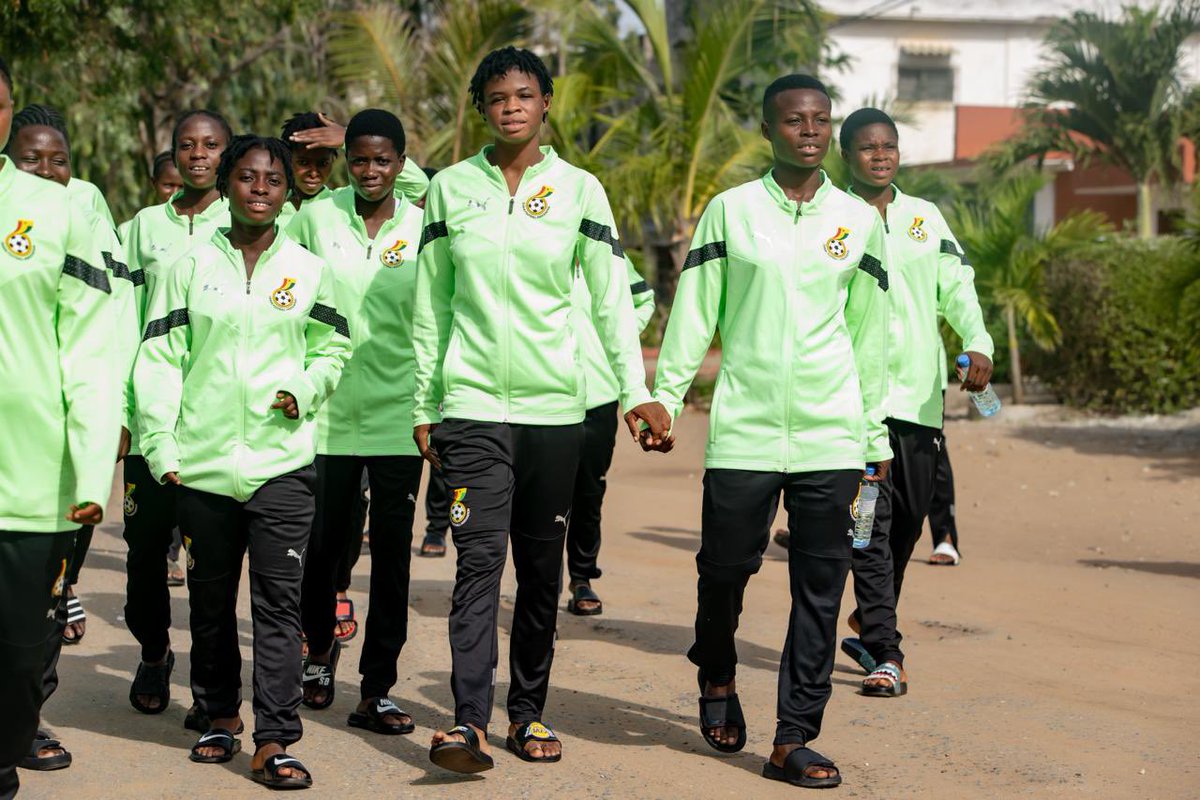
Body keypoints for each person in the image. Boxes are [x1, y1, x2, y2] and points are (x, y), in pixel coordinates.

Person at [412, 46, 670, 773]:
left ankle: (526, 712)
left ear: (546, 102)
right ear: (481, 109)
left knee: (539, 571)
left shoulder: (581, 191)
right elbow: (431, 306)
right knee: (476, 566)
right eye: (498, 98)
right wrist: (425, 401)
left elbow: (611, 302)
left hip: (557, 411)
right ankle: (468, 722)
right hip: (472, 407)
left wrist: (635, 392)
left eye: (524, 95)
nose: (512, 108)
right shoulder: (450, 190)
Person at [650, 74, 890, 789]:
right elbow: (695, 310)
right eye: (793, 120)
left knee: (822, 585)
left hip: (831, 432)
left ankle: (794, 737)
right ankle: (717, 669)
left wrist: (872, 438)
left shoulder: (858, 221)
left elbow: (868, 338)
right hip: (746, 428)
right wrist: (666, 397)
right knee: (724, 570)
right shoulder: (731, 211)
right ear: (767, 129)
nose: (809, 131)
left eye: (819, 119)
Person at [134, 134, 351, 789]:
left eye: (273, 179)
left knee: (279, 606)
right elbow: (159, 358)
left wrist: (305, 388)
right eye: (248, 177)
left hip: (282, 464)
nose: (261, 188)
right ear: (227, 184)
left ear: (287, 192)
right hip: (201, 465)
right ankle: (221, 714)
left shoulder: (308, 269)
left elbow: (333, 347)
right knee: (210, 601)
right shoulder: (189, 265)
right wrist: (160, 444)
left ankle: (275, 737)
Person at [837, 107, 992, 697]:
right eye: (867, 147)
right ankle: (886, 650)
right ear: (846, 156)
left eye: (889, 146)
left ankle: (869, 617)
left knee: (908, 521)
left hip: (920, 399)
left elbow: (958, 286)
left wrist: (977, 341)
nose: (880, 156)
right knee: (867, 526)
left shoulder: (925, 217)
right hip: (853, 403)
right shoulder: (832, 217)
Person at [0, 56, 122, 800]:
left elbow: (90, 348)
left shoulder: (56, 210)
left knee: (20, 654)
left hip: (31, 476)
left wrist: (90, 465)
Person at [289, 109, 425, 735]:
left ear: (401, 163)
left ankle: (378, 689)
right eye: (360, 160)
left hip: (400, 417)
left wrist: (430, 406)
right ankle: (318, 655)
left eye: (383, 160)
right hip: (327, 416)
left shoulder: (423, 224)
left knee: (392, 559)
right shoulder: (316, 217)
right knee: (322, 551)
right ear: (347, 162)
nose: (371, 171)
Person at [121, 109, 232, 724]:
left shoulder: (246, 217)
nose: (198, 155)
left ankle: (210, 684)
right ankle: (154, 652)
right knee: (144, 556)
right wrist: (121, 410)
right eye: (186, 145)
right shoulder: (142, 227)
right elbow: (120, 318)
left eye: (210, 145)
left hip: (215, 425)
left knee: (210, 563)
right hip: (149, 418)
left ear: (226, 153)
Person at [564, 259, 655, 615]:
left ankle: (582, 577)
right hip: (543, 396)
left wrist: (611, 341)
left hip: (597, 394)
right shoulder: (538, 237)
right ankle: (540, 583)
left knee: (588, 492)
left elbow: (644, 299)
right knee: (541, 496)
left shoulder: (602, 249)